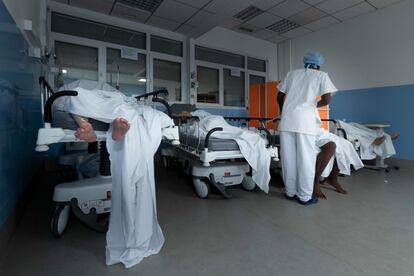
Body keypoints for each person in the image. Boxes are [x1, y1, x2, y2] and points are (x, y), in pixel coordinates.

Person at [55, 80, 173, 268]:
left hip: (120, 104)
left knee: (126, 109)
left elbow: (119, 98)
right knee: (78, 95)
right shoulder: (75, 88)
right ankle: (95, 129)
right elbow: (70, 97)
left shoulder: (111, 93)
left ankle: (90, 126)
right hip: (109, 103)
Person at [277, 52, 338, 205]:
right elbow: (327, 99)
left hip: (287, 120)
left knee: (288, 158)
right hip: (305, 122)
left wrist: (283, 110)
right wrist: (310, 106)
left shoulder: (291, 74)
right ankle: (304, 196)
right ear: (318, 65)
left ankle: (290, 192)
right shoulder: (321, 75)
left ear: (305, 63)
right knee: (305, 159)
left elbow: (279, 95)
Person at [313, 127, 364, 199]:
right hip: (312, 134)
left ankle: (332, 179)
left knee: (346, 144)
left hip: (321, 132)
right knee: (331, 145)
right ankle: (315, 181)